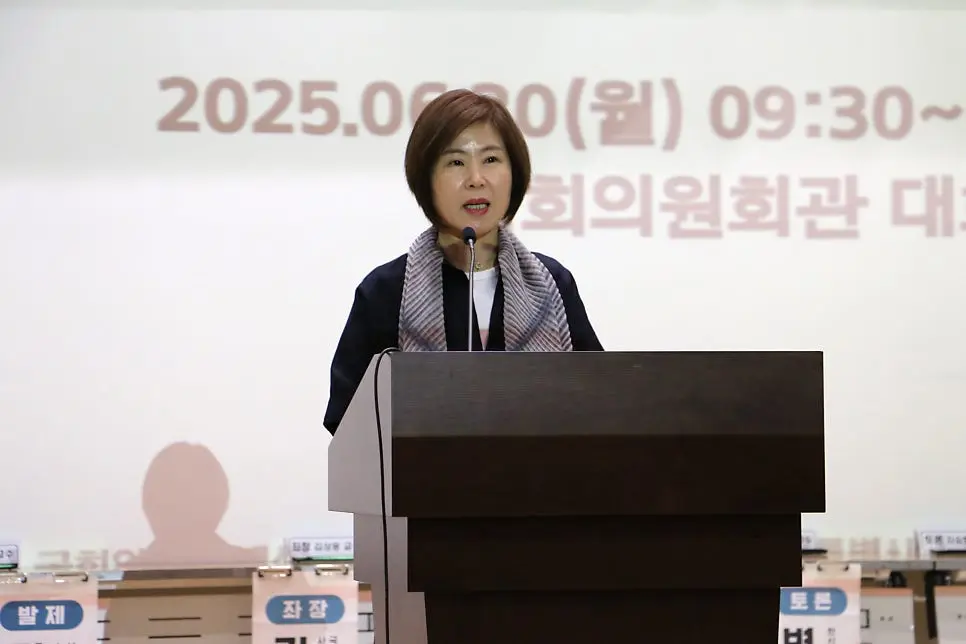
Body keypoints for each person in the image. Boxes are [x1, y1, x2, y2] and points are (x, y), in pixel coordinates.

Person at [322, 89, 603, 436]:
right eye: (456, 162)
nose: (476, 178)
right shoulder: (386, 291)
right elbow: (347, 418)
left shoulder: (552, 284)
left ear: (515, 173)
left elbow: (598, 401)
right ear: (426, 179)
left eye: (491, 160)